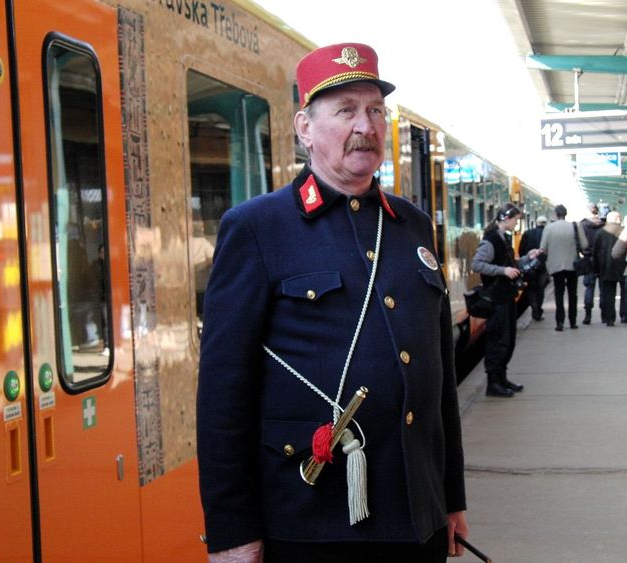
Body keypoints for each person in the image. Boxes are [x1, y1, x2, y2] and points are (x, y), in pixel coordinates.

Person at [197, 43, 468, 562]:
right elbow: (223, 396)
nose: (365, 126)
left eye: (374, 111)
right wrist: (231, 531)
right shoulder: (258, 228)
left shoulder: (411, 224)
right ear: (305, 128)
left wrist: (449, 498)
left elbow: (439, 387)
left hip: (418, 516)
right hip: (313, 522)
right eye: (346, 111)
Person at [471, 204, 534, 398]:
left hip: (506, 297)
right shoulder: (490, 241)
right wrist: (503, 271)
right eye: (515, 219)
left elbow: (509, 265)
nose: (517, 223)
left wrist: (526, 258)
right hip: (496, 298)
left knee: (508, 341)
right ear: (506, 218)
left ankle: (502, 378)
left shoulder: (503, 238)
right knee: (498, 341)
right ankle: (493, 383)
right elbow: (477, 264)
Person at [540, 204, 588, 331]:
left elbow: (543, 248)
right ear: (565, 214)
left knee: (559, 293)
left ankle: (559, 322)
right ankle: (573, 322)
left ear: (555, 214)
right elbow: (584, 244)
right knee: (573, 294)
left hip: (556, 266)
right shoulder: (575, 226)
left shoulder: (549, 228)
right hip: (572, 265)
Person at [592, 211, 626, 326]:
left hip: (606, 267)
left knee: (608, 293)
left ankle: (609, 318)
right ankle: (624, 315)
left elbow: (595, 252)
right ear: (617, 219)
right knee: (625, 293)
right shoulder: (623, 230)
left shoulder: (600, 232)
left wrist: (596, 269)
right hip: (623, 266)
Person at [518, 215, 548, 321]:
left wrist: (526, 260)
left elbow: (521, 250)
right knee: (540, 289)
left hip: (529, 267)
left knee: (531, 288)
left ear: (537, 223)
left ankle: (534, 307)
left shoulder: (527, 233)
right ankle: (538, 310)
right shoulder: (547, 234)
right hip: (543, 266)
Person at [579, 203, 604, 324]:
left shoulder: (582, 225)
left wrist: (583, 253)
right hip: (602, 259)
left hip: (588, 259)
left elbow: (579, 243)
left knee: (589, 287)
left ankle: (587, 315)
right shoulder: (603, 225)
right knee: (603, 287)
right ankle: (605, 315)